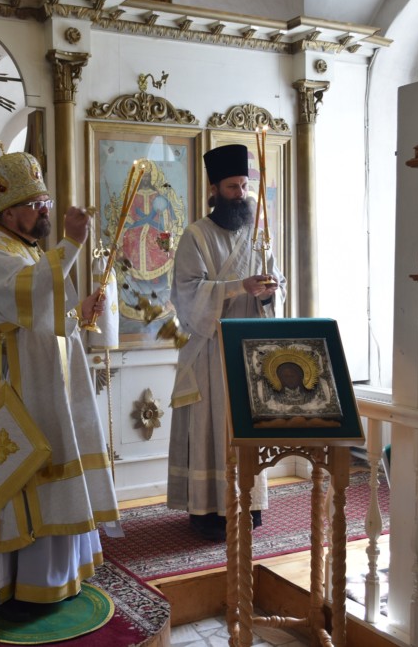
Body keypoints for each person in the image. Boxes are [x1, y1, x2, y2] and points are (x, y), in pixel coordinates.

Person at [0, 151, 121, 610]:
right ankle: (21, 583)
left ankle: (59, 573)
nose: (44, 209)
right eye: (35, 204)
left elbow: (45, 317)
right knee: (23, 476)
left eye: (45, 199)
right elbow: (26, 295)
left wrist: (77, 313)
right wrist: (70, 245)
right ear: (9, 211)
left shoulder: (24, 248)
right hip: (12, 391)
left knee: (57, 464)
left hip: (46, 386)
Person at [167, 143, 287, 541]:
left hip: (251, 350)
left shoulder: (258, 234)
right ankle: (208, 511)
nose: (241, 194)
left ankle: (249, 506)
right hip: (212, 348)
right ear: (214, 188)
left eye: (244, 186)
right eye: (233, 187)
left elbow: (276, 282)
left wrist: (269, 291)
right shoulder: (196, 236)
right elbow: (187, 294)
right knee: (212, 430)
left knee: (245, 431)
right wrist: (239, 286)